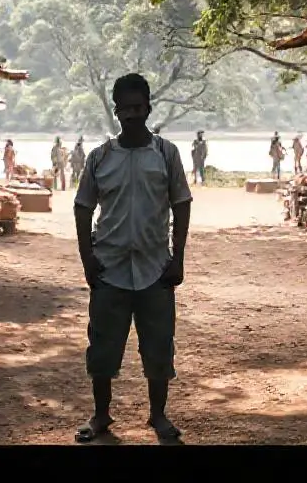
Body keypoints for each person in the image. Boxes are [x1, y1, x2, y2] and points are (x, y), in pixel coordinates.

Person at [73, 73, 191, 444]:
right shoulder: (100, 157)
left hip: (156, 269)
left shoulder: (166, 154)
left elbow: (181, 205)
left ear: (148, 108)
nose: (132, 115)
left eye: (138, 107)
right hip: (109, 270)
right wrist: (87, 259)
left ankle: (158, 416)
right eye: (124, 108)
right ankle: (101, 415)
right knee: (103, 347)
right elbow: (82, 209)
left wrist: (178, 259)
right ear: (116, 111)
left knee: (158, 344)